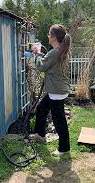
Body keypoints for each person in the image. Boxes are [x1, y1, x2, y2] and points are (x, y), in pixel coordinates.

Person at [32, 24, 71, 157]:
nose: (48, 36)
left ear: (54, 37)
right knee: (41, 108)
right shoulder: (61, 50)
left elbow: (41, 66)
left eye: (49, 34)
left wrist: (36, 54)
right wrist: (42, 54)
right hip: (58, 89)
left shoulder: (55, 52)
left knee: (59, 120)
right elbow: (50, 62)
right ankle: (40, 134)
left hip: (56, 92)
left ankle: (64, 148)